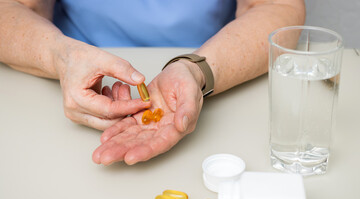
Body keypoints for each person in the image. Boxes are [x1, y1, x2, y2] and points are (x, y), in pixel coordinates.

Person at [0, 0, 305, 165]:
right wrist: (60, 57)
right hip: (70, 87)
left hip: (217, 63)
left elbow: (277, 9)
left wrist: (198, 70)